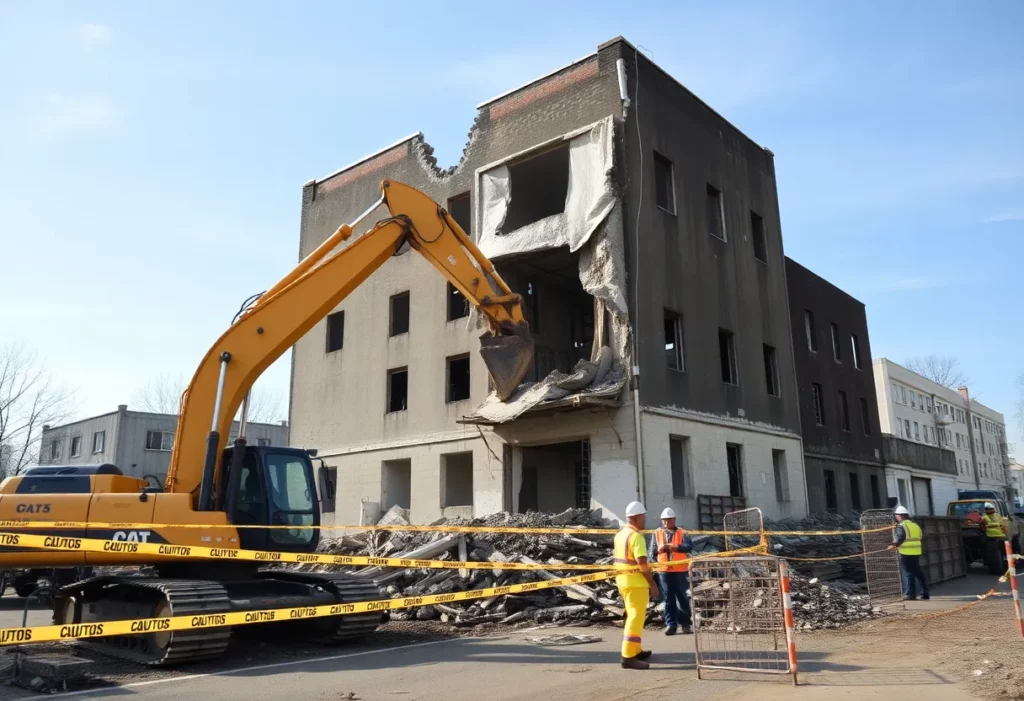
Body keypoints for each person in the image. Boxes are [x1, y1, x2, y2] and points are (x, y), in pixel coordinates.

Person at [614, 500, 660, 670]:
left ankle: (636, 649)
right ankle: (628, 656)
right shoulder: (636, 537)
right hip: (636, 583)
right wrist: (652, 583)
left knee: (634, 616)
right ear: (637, 517)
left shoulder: (620, 534)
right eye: (643, 517)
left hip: (624, 581)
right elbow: (642, 564)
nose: (645, 520)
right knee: (635, 617)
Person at [649, 507, 693, 635]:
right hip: (664, 571)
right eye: (664, 521)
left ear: (674, 520)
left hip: (679, 570)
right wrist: (659, 552)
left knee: (682, 597)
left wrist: (676, 547)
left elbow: (689, 547)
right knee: (668, 598)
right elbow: (652, 552)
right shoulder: (656, 533)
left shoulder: (682, 532)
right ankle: (671, 624)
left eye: (669, 520)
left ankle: (685, 624)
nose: (666, 523)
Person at [888, 505, 929, 600]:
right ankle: (925, 593)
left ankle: (909, 594)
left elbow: (899, 538)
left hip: (905, 552)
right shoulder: (915, 525)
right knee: (918, 572)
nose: (896, 518)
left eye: (896, 516)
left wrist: (892, 546)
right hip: (916, 551)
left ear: (900, 516)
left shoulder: (901, 526)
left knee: (908, 573)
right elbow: (920, 537)